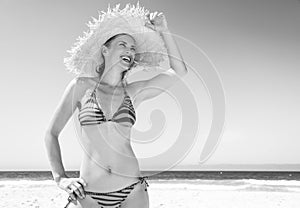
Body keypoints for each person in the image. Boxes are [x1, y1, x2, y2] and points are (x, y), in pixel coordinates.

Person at [44, 3, 187, 208]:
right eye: (123, 44)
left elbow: (179, 72)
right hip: (89, 194)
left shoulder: (133, 92)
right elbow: (51, 133)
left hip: (132, 191)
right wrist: (60, 178)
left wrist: (164, 31)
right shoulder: (81, 86)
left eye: (133, 48)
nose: (130, 50)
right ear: (105, 50)